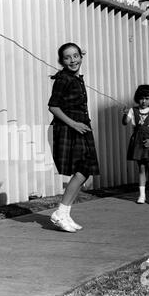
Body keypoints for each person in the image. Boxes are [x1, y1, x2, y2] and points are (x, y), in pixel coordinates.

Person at [48, 43, 100, 233]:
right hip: (71, 128)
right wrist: (74, 124)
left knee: (85, 169)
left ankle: (65, 213)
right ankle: (60, 212)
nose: (73, 60)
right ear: (61, 61)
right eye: (67, 57)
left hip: (82, 127)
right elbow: (53, 106)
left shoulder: (76, 78)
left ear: (81, 56)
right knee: (83, 168)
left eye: (76, 56)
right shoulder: (63, 79)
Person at [122, 84, 149, 205]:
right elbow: (125, 122)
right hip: (138, 141)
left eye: (146, 98)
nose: (144, 101)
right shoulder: (132, 110)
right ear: (137, 98)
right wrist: (125, 113)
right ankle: (141, 195)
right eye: (141, 98)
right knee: (141, 168)